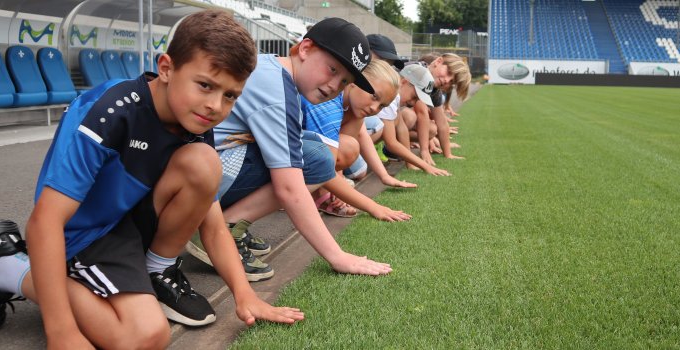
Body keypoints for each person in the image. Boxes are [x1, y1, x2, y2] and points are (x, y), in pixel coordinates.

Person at [0, 10, 303, 348]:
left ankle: (156, 270)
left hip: (128, 225)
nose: (216, 105)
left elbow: (213, 224)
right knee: (145, 336)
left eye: (230, 95)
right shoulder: (110, 112)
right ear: (167, 68)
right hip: (82, 235)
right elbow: (45, 223)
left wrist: (245, 294)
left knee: (204, 163)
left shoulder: (197, 118)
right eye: (206, 85)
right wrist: (63, 333)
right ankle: (12, 267)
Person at [185, 17, 392, 282]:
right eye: (332, 69)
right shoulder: (276, 88)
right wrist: (337, 256)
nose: (333, 86)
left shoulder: (275, 69)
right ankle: (220, 227)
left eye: (343, 81)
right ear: (304, 49)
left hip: (203, 167)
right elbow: (290, 188)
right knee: (316, 159)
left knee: (311, 148)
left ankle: (226, 222)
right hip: (195, 180)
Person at [301, 59, 414, 221]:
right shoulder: (329, 103)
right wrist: (373, 207)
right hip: (270, 157)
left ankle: (315, 190)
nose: (375, 108)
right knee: (349, 148)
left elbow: (344, 145)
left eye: (382, 106)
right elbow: (325, 165)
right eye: (374, 96)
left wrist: (384, 175)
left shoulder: (351, 105)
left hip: (295, 151)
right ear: (355, 81)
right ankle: (302, 191)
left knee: (349, 147)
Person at [401, 53, 471, 166]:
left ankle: (396, 148)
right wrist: (424, 150)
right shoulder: (419, 73)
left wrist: (448, 154)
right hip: (383, 115)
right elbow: (421, 113)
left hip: (392, 117)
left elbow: (442, 123)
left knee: (432, 130)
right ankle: (394, 149)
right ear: (438, 62)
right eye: (448, 73)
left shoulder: (435, 88)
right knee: (409, 117)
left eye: (452, 82)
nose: (447, 80)